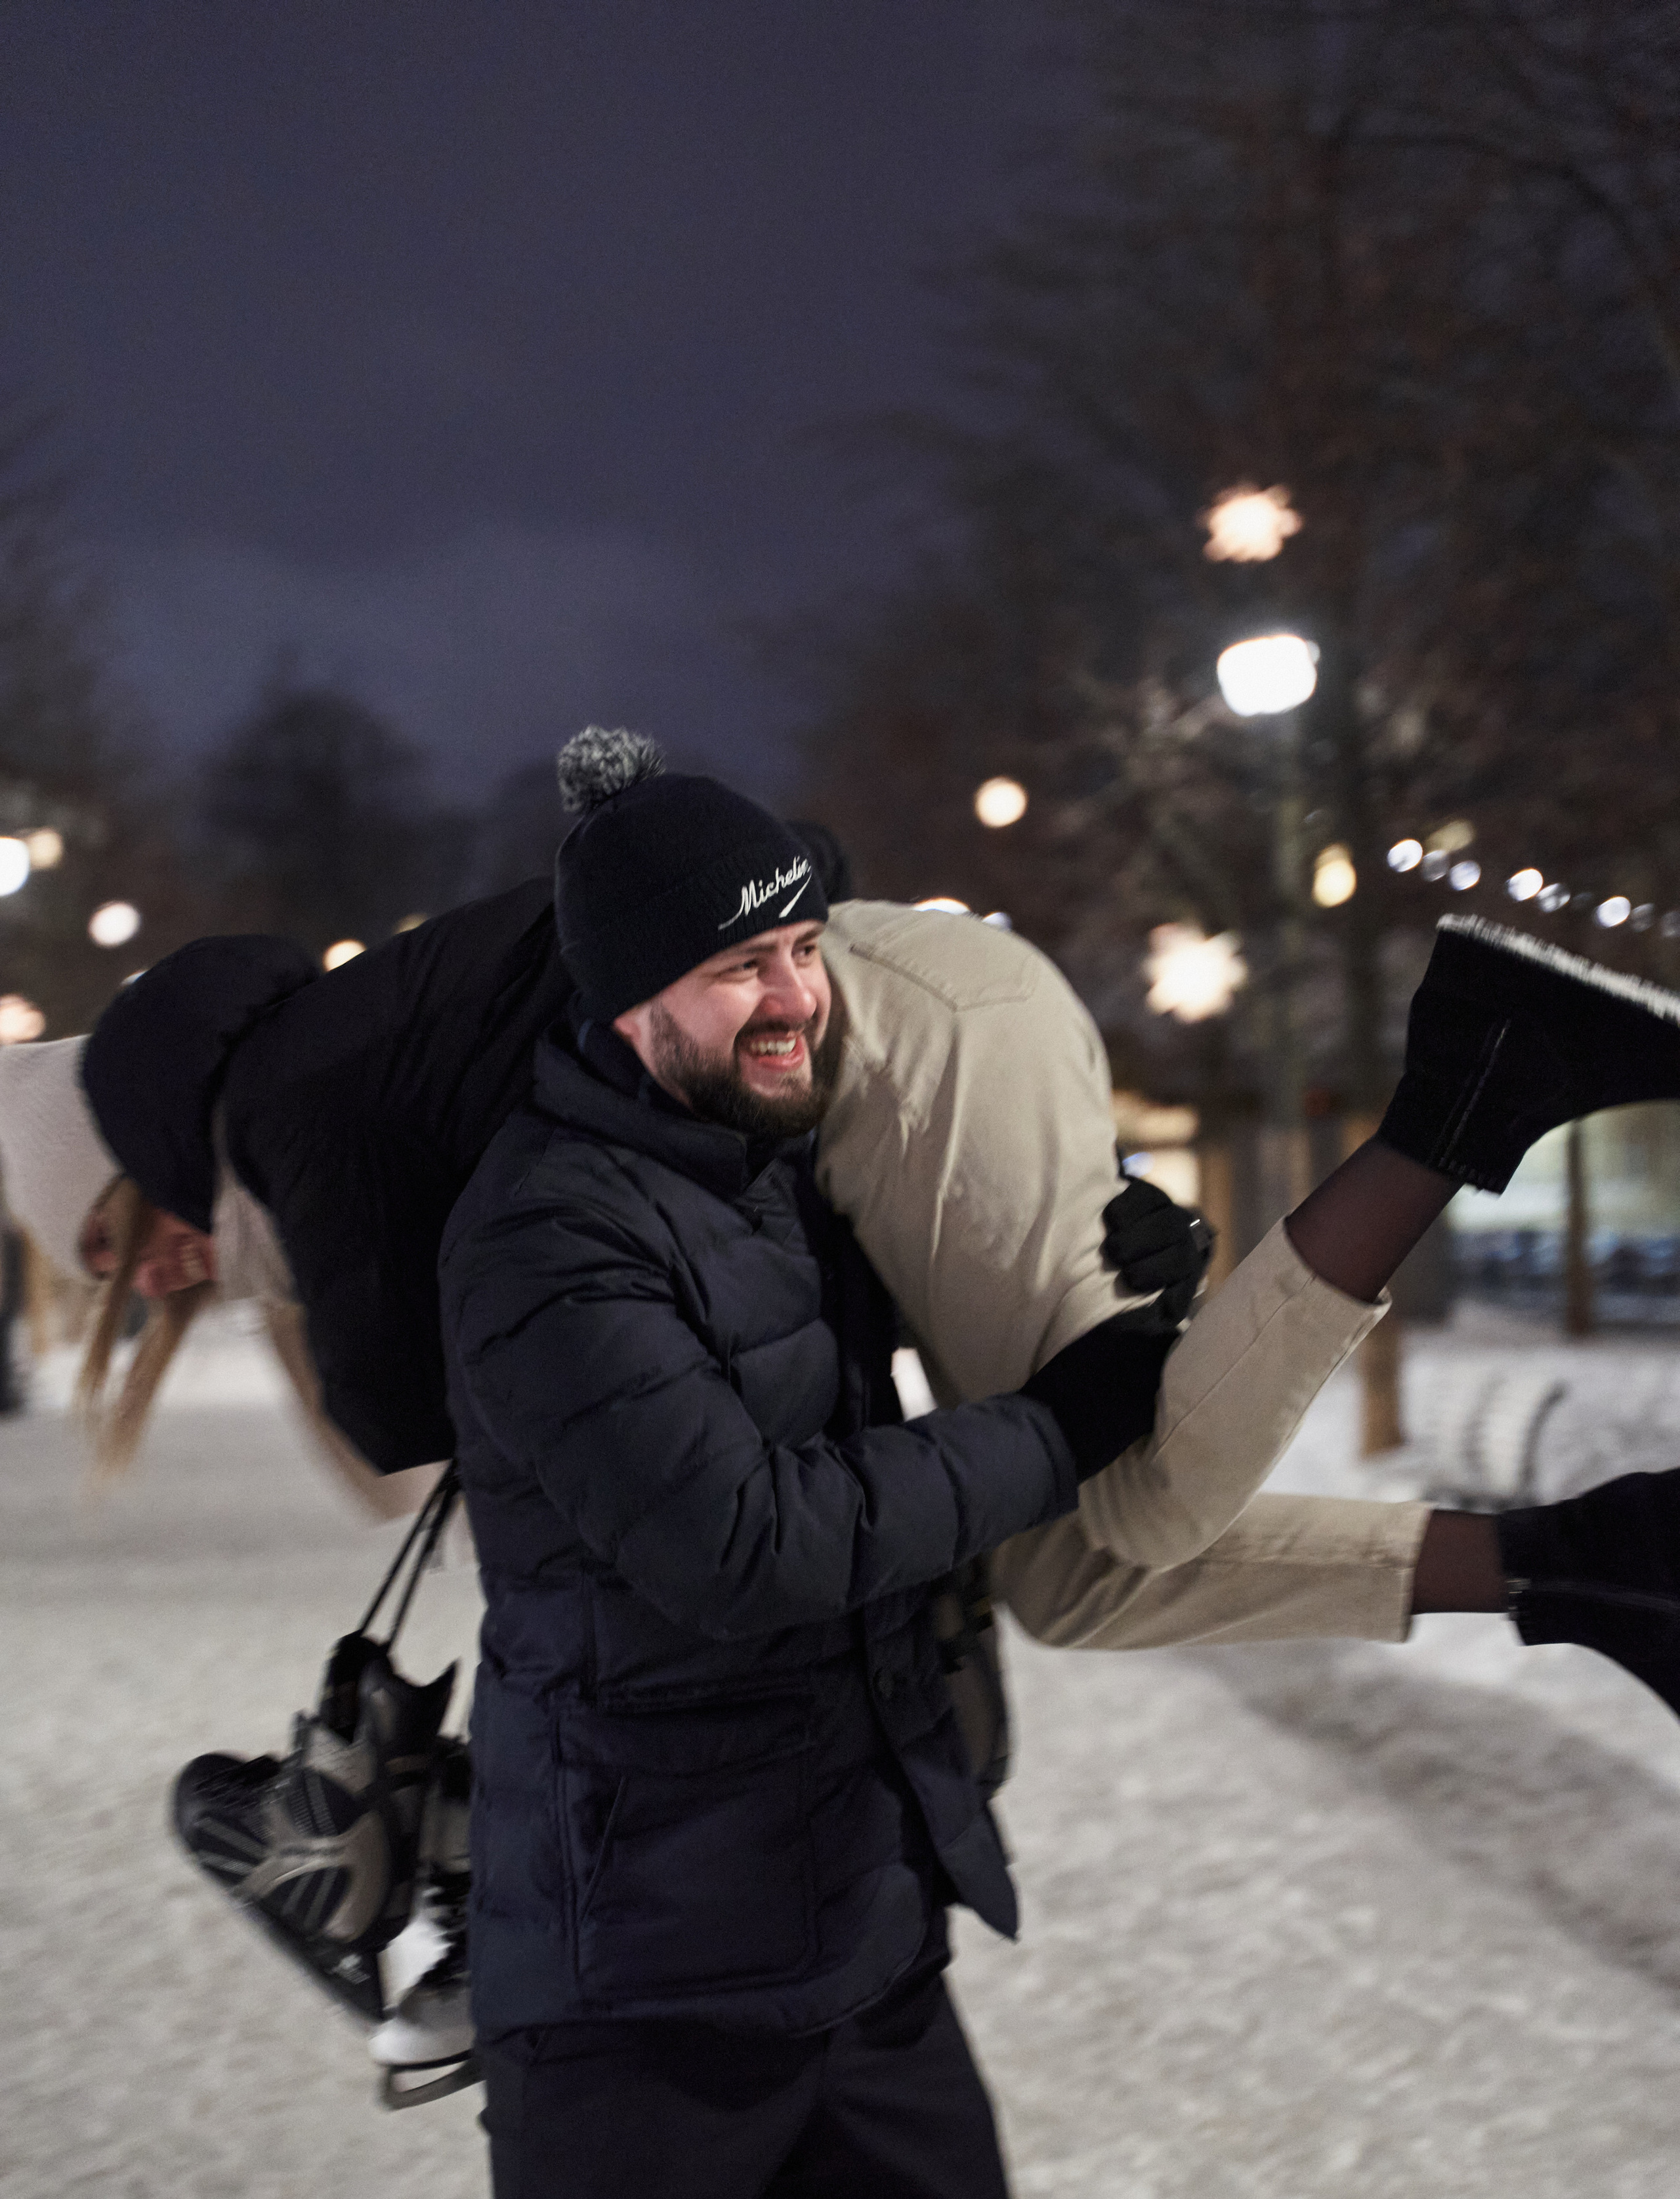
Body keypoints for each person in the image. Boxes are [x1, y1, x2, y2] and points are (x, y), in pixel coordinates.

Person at [4, 733, 1679, 2111]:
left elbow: (417, 1440)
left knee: (1147, 1494)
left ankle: (1472, 1085)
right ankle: (1581, 1567)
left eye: (117, 1237)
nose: (150, 1280)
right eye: (115, 1280)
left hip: (891, 1042)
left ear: (155, 1148)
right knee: (1071, 1577)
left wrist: (273, 1267)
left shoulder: (302, 1120)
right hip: (895, 1039)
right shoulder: (373, 1066)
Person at [437, 736, 1680, 2199]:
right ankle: (1478, 1173)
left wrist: (1120, 1292)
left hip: (859, 1947)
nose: (799, 997)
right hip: (641, 1993)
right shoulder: (547, 1244)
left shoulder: (775, 1149)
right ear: (631, 1001)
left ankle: (1580, 1539)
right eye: (742, 970)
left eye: (803, 945)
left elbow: (936, 1316)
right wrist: (1068, 1412)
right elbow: (755, 1545)